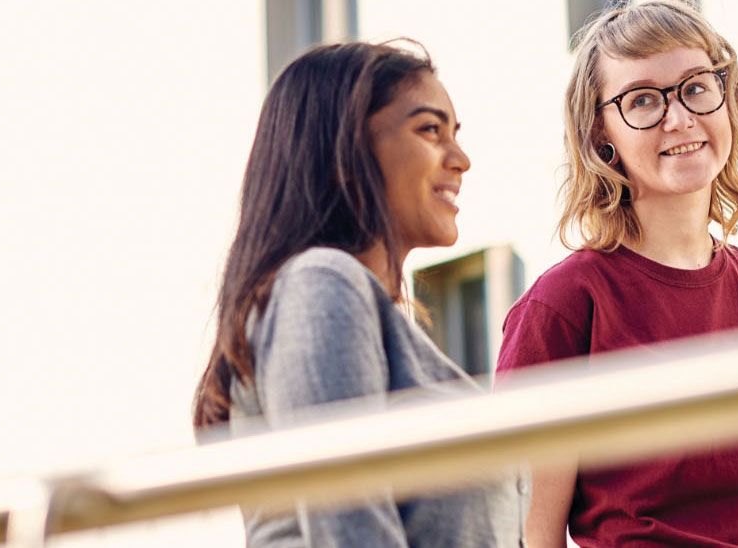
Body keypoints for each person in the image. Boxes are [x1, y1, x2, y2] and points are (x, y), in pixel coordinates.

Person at [496, 1, 738, 546]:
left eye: (696, 87)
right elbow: (525, 536)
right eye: (642, 99)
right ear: (601, 134)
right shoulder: (563, 305)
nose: (679, 117)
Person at [191, 41, 521, 547]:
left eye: (454, 134)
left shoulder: (358, 307)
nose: (461, 160)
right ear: (345, 148)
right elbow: (349, 526)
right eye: (430, 130)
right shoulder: (320, 283)